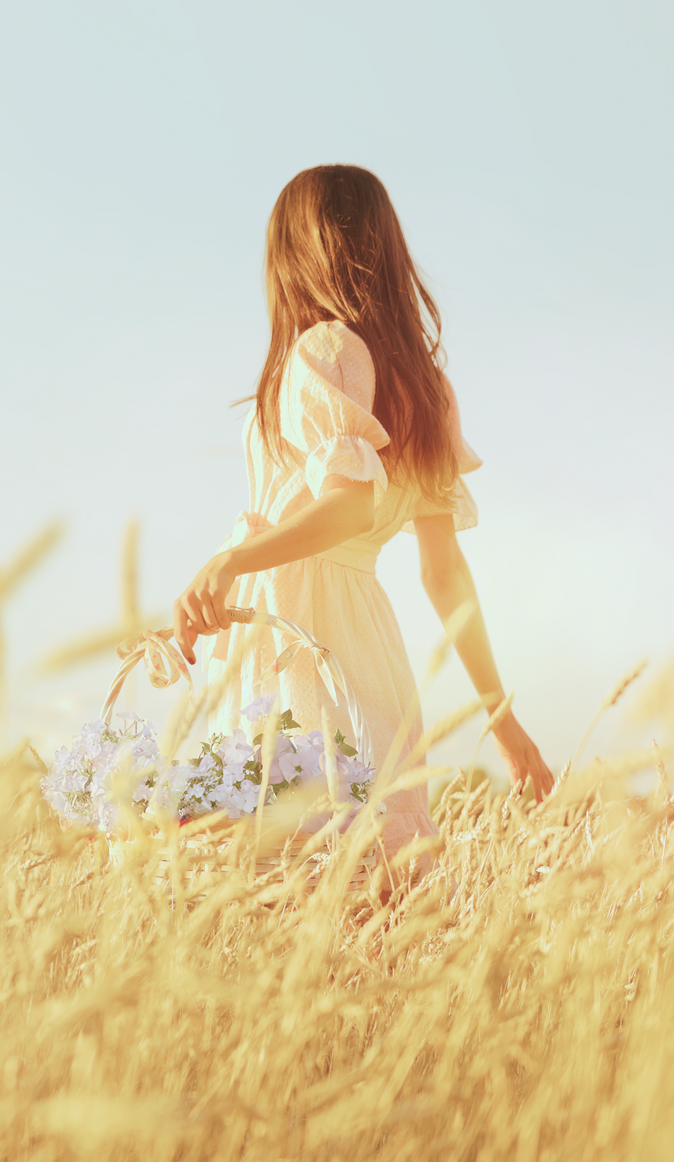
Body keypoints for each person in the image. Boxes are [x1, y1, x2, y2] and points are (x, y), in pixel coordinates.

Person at [171, 164, 553, 872]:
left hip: (301, 637)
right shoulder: (427, 388)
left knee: (276, 874)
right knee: (369, 887)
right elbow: (444, 575)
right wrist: (500, 718)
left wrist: (229, 563)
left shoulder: (321, 352)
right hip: (368, 645)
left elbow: (344, 505)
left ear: (292, 252)